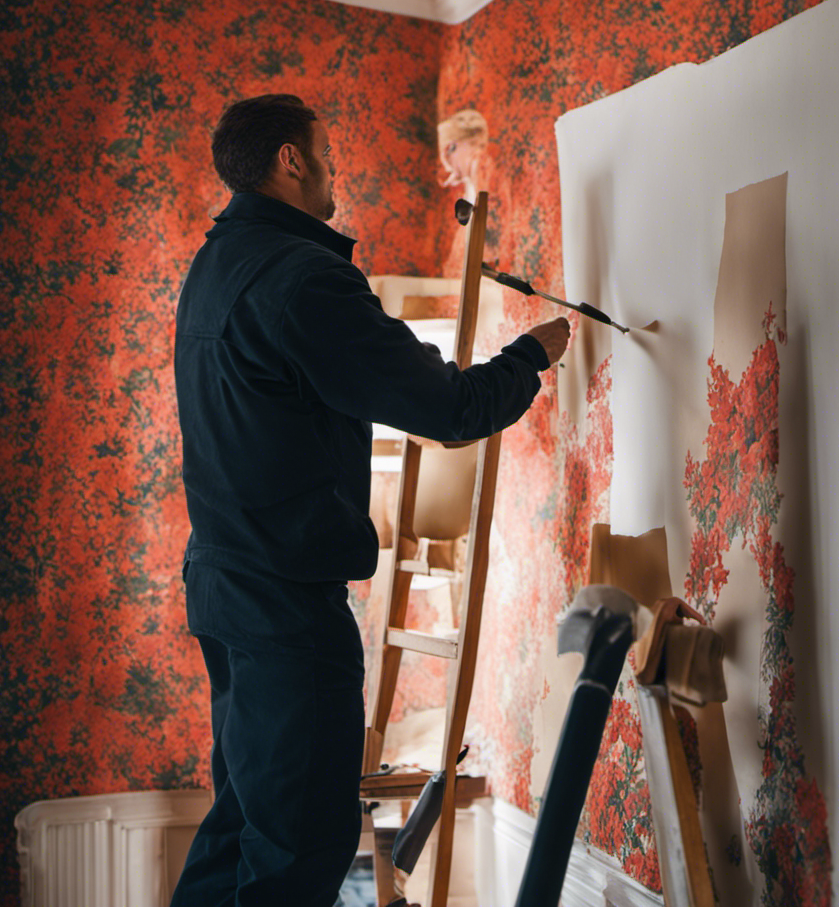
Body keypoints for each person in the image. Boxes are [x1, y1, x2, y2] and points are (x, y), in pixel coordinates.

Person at [171, 93, 569, 907]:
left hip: (223, 588)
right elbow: (451, 410)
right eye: (326, 154)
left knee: (242, 828)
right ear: (291, 160)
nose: (331, 174)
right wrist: (531, 353)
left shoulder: (217, 263)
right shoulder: (303, 279)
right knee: (296, 854)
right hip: (286, 609)